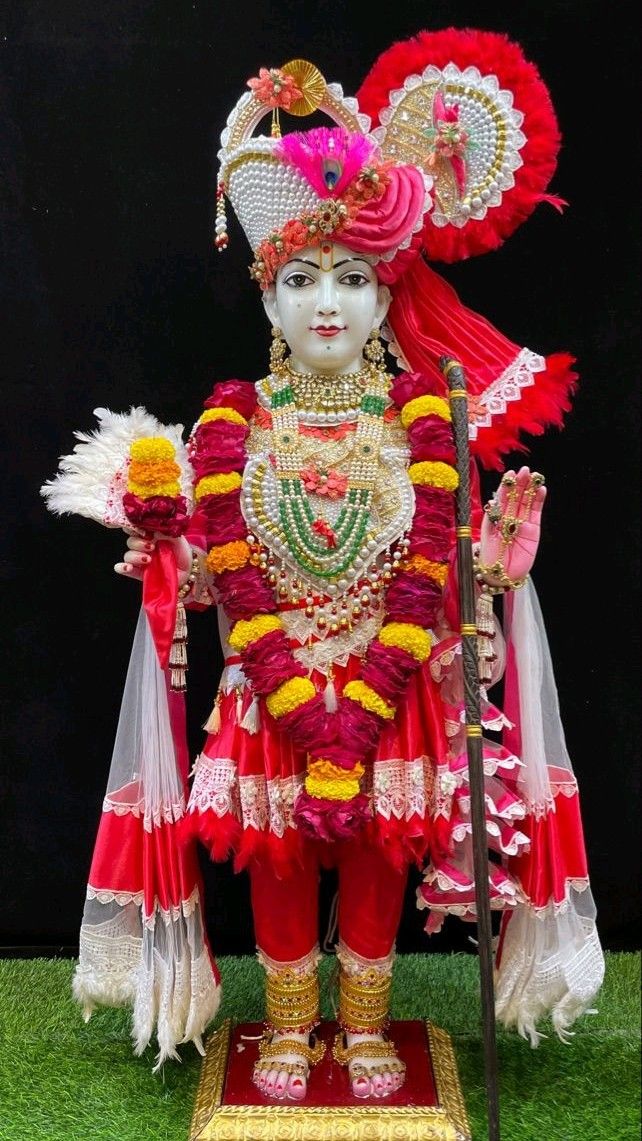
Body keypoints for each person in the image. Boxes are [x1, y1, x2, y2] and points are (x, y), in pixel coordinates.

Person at [74, 31, 605, 1097]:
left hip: (389, 678)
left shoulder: (423, 427)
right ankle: (284, 1025)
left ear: (383, 298)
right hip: (268, 687)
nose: (330, 301)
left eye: (355, 278)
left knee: (374, 855)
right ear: (270, 303)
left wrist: (497, 572)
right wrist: (164, 557)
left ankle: (364, 1032)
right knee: (275, 860)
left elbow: (439, 567)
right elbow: (222, 567)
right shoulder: (234, 429)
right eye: (305, 279)